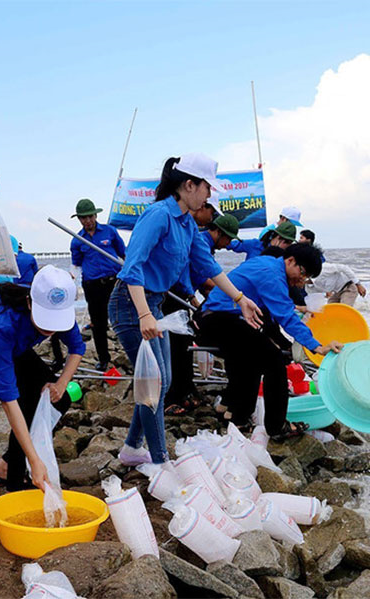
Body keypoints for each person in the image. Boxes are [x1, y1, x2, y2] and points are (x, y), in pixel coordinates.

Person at [110, 153, 262, 466]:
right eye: (207, 188)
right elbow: (132, 267)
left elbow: (206, 264)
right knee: (155, 384)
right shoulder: (159, 215)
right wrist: (143, 315)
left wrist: (240, 298)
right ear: (188, 185)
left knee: (160, 383)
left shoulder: (186, 223)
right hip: (131, 304)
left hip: (154, 304)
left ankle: (131, 448)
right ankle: (160, 460)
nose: (209, 196)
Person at [0, 266, 84, 491]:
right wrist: (34, 460)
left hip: (17, 343)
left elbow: (77, 348)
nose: (50, 329)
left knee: (58, 400)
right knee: (27, 403)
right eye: (45, 321)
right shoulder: (4, 323)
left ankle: (4, 468)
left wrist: (61, 384)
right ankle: (14, 482)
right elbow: (8, 399)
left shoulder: (58, 308)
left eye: (55, 323)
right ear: (30, 302)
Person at [194, 244, 342, 439]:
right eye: (303, 272)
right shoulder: (272, 275)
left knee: (255, 360)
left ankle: (235, 416)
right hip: (217, 321)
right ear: (290, 261)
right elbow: (286, 317)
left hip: (217, 319)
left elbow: (272, 316)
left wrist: (289, 341)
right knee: (274, 362)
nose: (302, 280)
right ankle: (276, 426)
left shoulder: (268, 264)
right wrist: (317, 346)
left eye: (307, 277)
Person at [162, 213, 242, 416]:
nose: (228, 243)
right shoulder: (201, 243)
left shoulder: (207, 244)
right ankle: (171, 398)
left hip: (182, 294)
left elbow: (202, 280)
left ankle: (186, 389)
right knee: (176, 347)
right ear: (218, 232)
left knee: (185, 344)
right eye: (228, 238)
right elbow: (203, 279)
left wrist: (196, 298)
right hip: (170, 295)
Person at [68, 198, 126, 371]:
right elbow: (76, 265)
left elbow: (124, 254)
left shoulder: (110, 232)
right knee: (98, 323)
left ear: (95, 215)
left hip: (113, 282)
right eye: (83, 218)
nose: (87, 221)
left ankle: (133, 353)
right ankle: (104, 359)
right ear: (79, 219)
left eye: (90, 217)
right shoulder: (77, 240)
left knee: (123, 318)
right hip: (92, 286)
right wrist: (71, 282)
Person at [229, 220, 296, 261]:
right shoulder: (254, 244)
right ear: (279, 238)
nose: (289, 247)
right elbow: (229, 244)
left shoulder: (284, 258)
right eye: (288, 243)